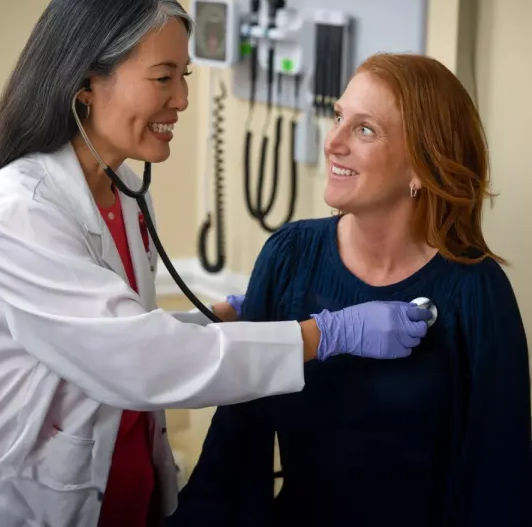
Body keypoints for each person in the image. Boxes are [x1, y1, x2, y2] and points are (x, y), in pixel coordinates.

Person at [0, 0, 433, 527]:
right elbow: (138, 361)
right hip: (20, 505)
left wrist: (208, 322)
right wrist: (327, 334)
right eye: (163, 78)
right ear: (86, 84)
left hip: (126, 495)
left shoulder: (123, 194)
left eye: (183, 76)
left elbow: (109, 335)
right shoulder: (18, 210)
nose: (183, 99)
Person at [168, 53, 532, 526]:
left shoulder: (476, 291)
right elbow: (235, 444)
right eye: (339, 117)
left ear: (422, 166)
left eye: (365, 130)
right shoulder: (290, 256)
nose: (333, 142)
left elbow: (498, 483)